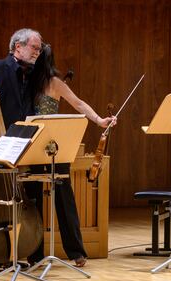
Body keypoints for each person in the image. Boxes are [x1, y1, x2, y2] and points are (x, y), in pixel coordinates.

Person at [0, 28, 115, 272]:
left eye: (39, 48)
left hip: (24, 142)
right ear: (18, 47)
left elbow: (71, 101)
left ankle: (25, 251)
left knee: (27, 197)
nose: (38, 51)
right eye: (34, 47)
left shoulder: (36, 76)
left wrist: (98, 120)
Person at [24, 43, 116, 268]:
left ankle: (76, 251)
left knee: (64, 198)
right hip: (31, 147)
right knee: (32, 199)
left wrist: (98, 120)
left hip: (54, 146)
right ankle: (34, 254)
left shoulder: (55, 83)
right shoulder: (24, 82)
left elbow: (78, 103)